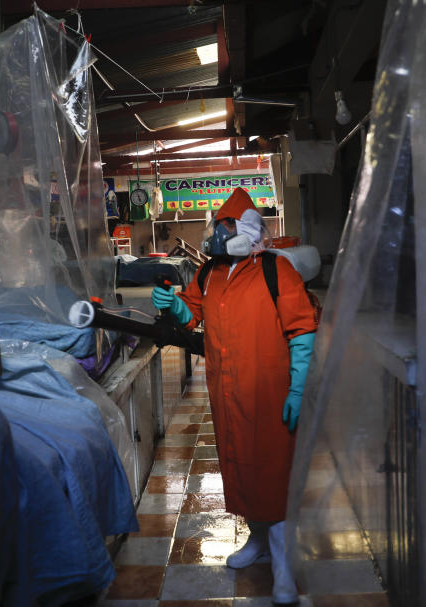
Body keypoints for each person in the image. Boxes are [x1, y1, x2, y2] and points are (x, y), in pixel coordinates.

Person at [151, 187, 317, 605]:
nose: (216, 236)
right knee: (241, 467)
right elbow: (192, 318)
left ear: (246, 231)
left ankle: (283, 571)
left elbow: (302, 331)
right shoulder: (210, 273)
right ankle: (257, 541)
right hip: (226, 393)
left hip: (270, 393)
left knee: (271, 475)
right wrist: (173, 305)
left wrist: (299, 387)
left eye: (225, 228)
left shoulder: (277, 272)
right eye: (217, 228)